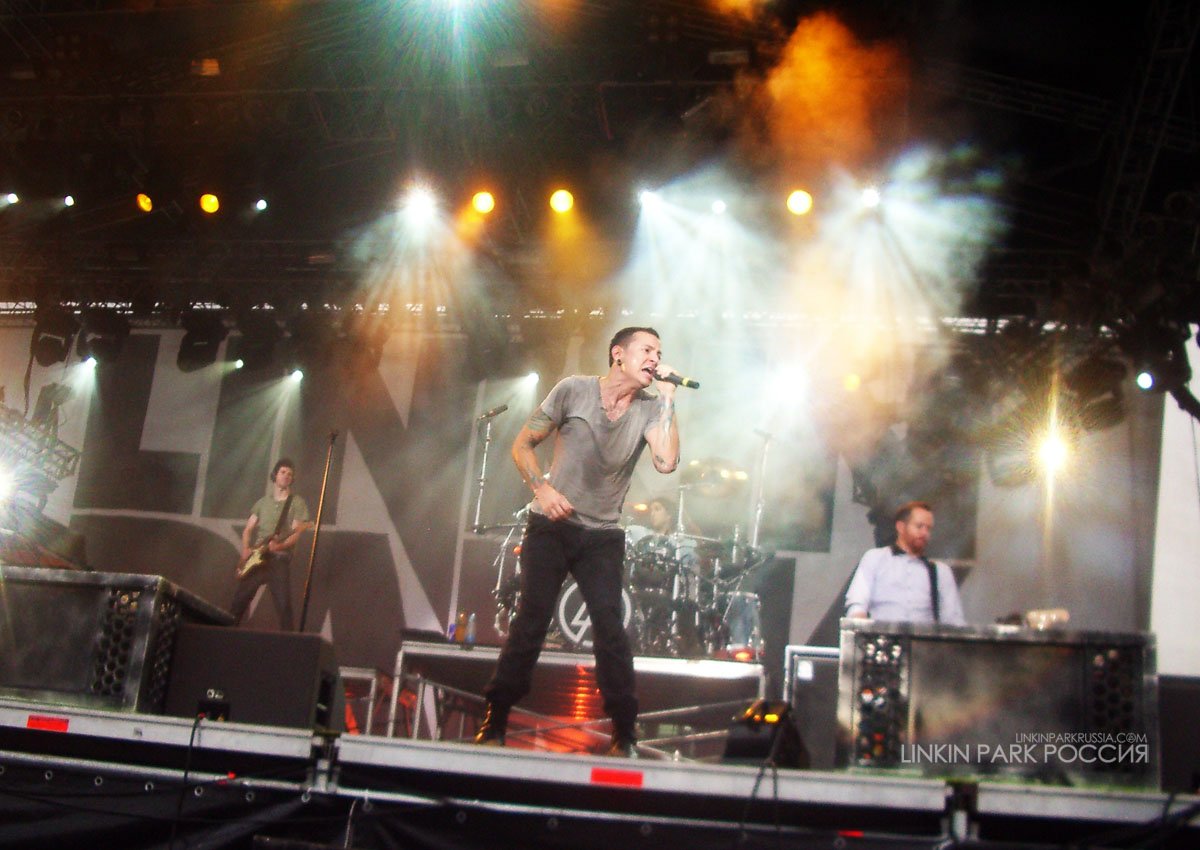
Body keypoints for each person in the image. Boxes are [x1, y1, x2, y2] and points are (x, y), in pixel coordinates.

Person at [475, 326, 682, 757]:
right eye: (647, 350)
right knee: (531, 618)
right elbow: (522, 445)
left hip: (602, 534)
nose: (655, 359)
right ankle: (495, 718)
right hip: (552, 524)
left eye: (659, 353)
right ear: (618, 354)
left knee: (610, 626)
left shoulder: (649, 407)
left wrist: (668, 398)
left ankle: (624, 733)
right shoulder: (574, 390)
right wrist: (542, 489)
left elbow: (666, 462)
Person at [844, 500, 965, 625]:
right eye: (919, 526)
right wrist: (861, 627)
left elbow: (953, 620)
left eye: (928, 528)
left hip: (924, 637)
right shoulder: (874, 558)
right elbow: (857, 605)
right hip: (882, 636)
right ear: (901, 527)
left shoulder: (941, 571)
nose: (925, 533)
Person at [229, 458, 311, 631]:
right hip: (257, 558)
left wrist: (279, 547)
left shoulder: (296, 502)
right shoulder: (262, 503)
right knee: (238, 603)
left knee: (284, 607)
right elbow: (248, 529)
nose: (286, 476)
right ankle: (224, 637)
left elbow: (296, 533)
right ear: (275, 475)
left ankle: (289, 643)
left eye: (290, 474)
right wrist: (246, 549)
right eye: (283, 472)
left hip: (278, 559)